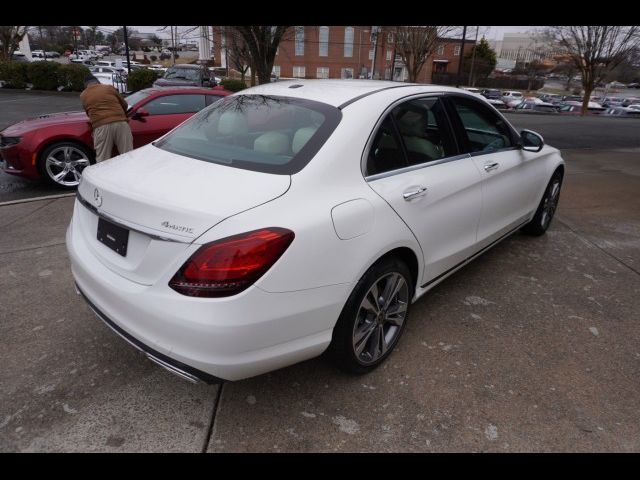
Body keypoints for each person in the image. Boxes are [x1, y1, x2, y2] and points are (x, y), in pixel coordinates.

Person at [80, 74, 133, 162]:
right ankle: (130, 174)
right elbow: (124, 105)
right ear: (98, 82)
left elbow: (88, 112)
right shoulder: (109, 88)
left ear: (85, 85)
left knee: (102, 158)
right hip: (120, 123)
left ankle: (102, 175)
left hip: (100, 126)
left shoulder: (83, 95)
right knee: (128, 155)